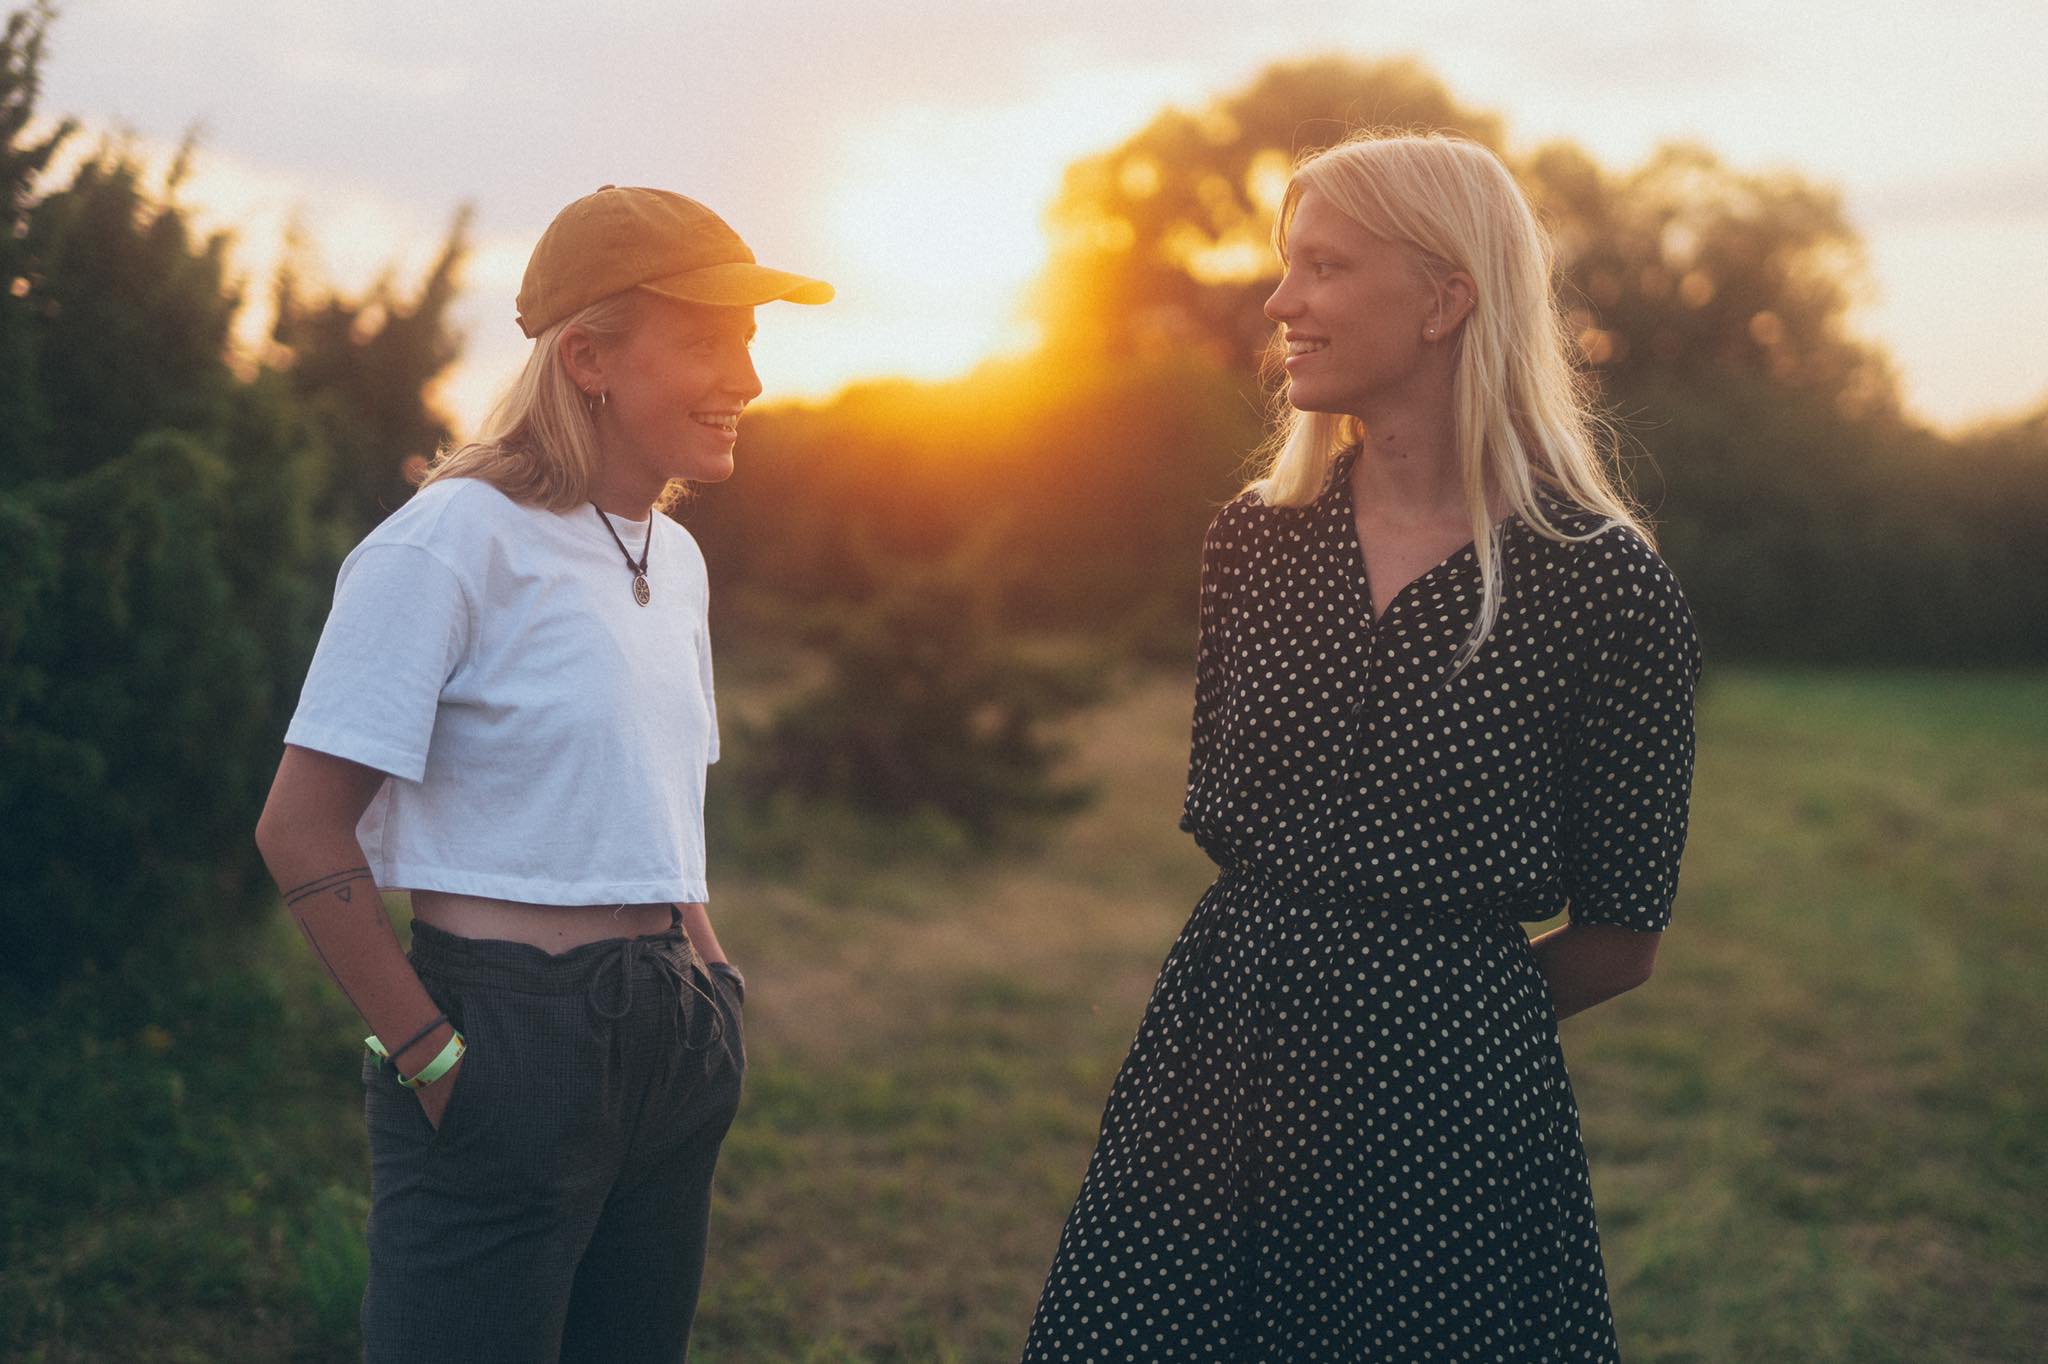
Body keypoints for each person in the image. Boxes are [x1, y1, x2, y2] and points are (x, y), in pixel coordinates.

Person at [1021, 132, 1703, 1361]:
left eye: (1324, 266)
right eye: (1287, 267)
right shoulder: (1255, 543)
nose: (1280, 301)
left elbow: (1621, 937)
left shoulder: (1604, 589)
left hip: (1450, 1123)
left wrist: (1436, 1028)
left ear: (1445, 299)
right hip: (1217, 1082)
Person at [253, 185, 831, 1363]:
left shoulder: (675, 559)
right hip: (504, 1036)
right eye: (711, 342)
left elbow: (656, 808)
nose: (750, 381)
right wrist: (434, 1056)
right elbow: (300, 828)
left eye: (752, 341)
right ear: (588, 359)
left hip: (672, 1032)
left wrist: (711, 982)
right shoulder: (445, 542)